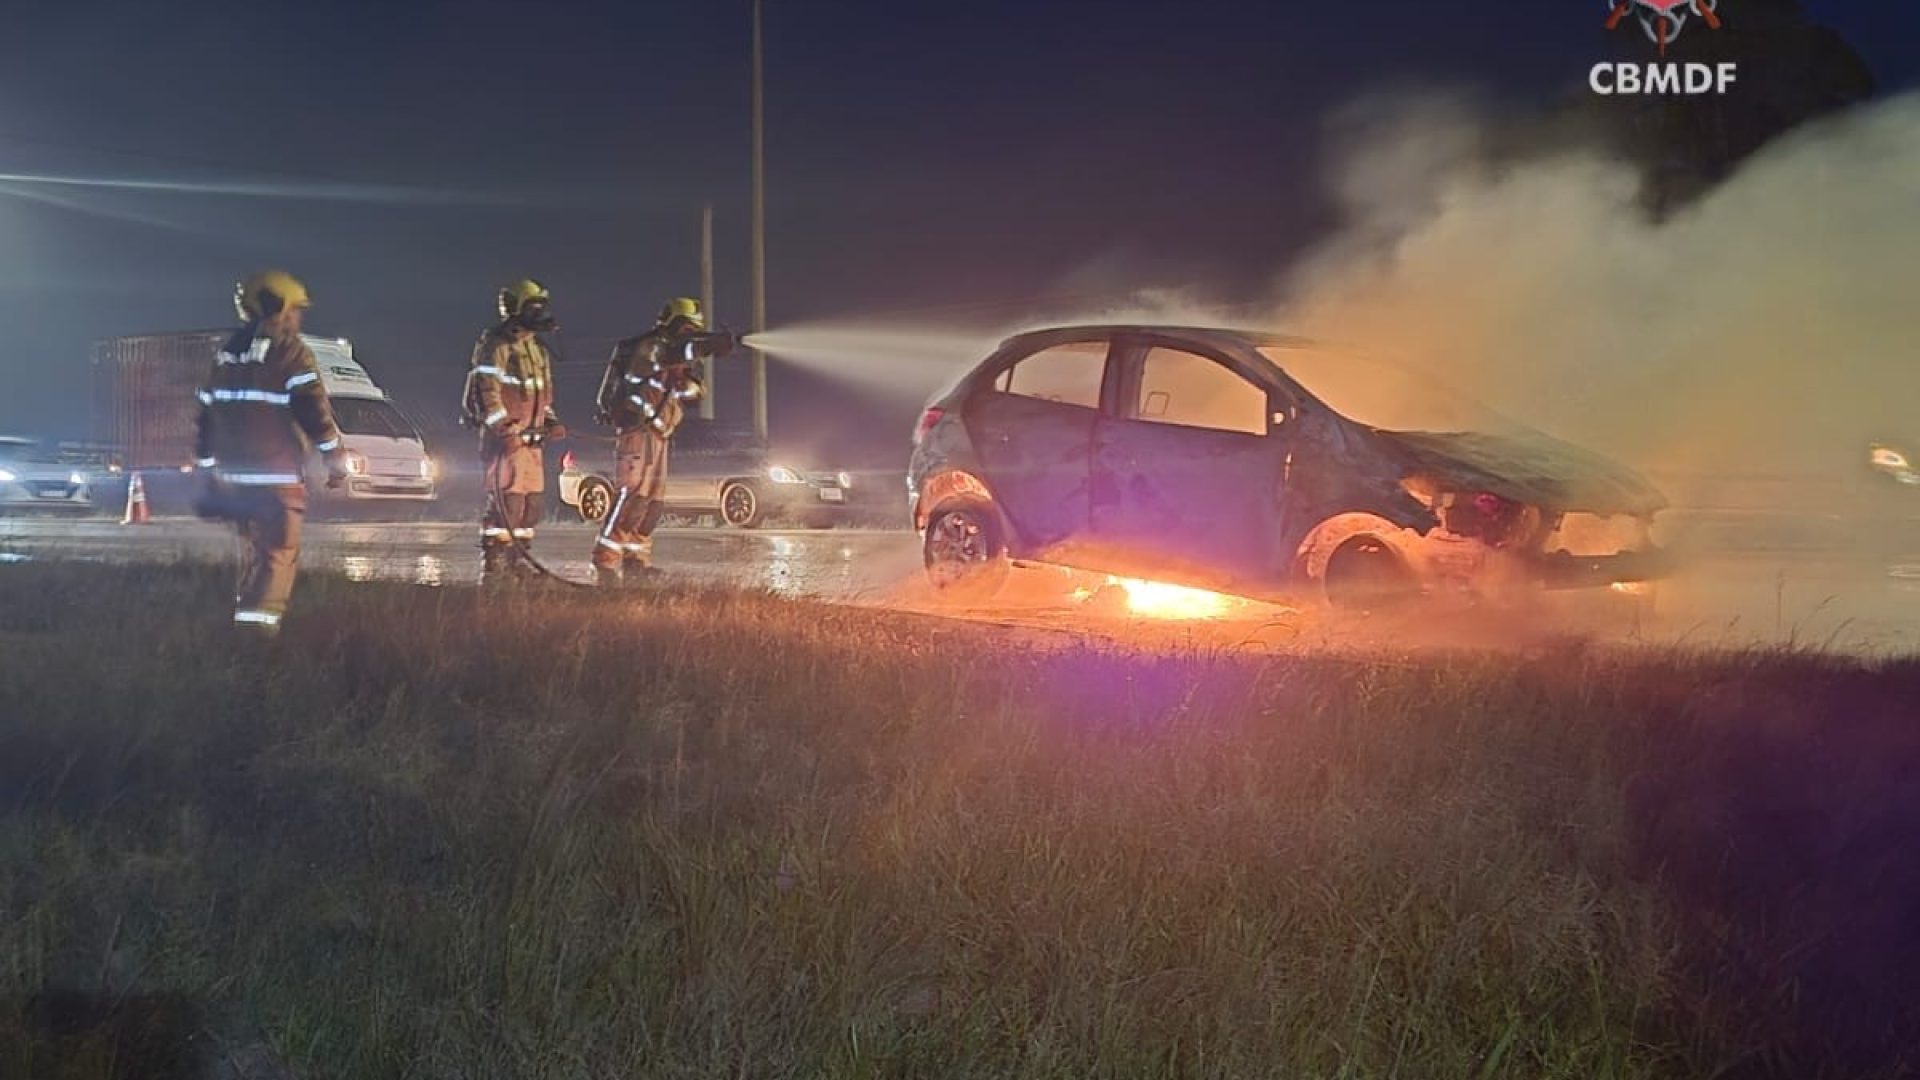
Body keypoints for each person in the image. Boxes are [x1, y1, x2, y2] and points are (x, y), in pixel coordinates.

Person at [192, 270, 348, 636]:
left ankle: (242, 625)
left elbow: (204, 418)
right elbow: (314, 412)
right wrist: (335, 459)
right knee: (277, 556)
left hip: (234, 481)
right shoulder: (290, 352)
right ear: (277, 307)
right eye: (295, 309)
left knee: (253, 557)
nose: (298, 318)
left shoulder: (227, 355)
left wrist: (208, 471)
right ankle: (257, 640)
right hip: (277, 478)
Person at [590, 297, 727, 585]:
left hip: (660, 436)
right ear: (675, 324)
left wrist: (686, 382)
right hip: (636, 433)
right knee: (630, 499)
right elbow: (664, 358)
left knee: (651, 505)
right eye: (688, 329)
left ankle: (636, 561)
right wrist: (705, 346)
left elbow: (697, 392)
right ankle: (605, 563)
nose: (691, 335)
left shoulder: (676, 357)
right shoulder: (651, 347)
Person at [465, 279, 566, 585]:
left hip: (532, 443)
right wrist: (505, 431)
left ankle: (519, 561)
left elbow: (541, 395)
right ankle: (496, 563)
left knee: (531, 505)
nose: (540, 312)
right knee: (507, 504)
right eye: (533, 306)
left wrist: (550, 420)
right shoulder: (496, 345)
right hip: (505, 442)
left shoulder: (536, 349)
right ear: (517, 309)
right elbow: (488, 394)